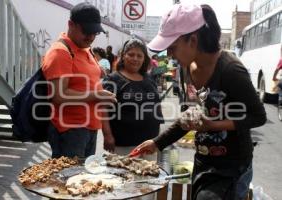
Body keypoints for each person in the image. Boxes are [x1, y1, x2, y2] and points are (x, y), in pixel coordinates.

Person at [133, 3, 266, 200]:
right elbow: (190, 118)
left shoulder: (231, 71)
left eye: (172, 48)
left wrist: (214, 125)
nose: (169, 55)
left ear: (193, 40)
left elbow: (258, 116)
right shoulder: (186, 69)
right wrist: (157, 143)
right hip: (203, 160)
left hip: (233, 167)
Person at [41, 3, 116, 159]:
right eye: (86, 31)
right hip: (71, 129)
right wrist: (96, 95)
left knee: (82, 180)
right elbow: (59, 96)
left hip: (88, 128)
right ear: (71, 25)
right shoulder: (60, 52)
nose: (90, 37)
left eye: (94, 33)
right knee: (67, 180)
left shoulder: (85, 49)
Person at [102, 39, 164, 161]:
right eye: (131, 54)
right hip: (124, 143)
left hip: (149, 143)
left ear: (144, 59)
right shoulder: (113, 79)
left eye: (139, 55)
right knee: (123, 176)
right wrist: (107, 135)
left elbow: (156, 103)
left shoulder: (149, 79)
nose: (135, 59)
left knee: (147, 176)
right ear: (123, 56)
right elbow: (103, 110)